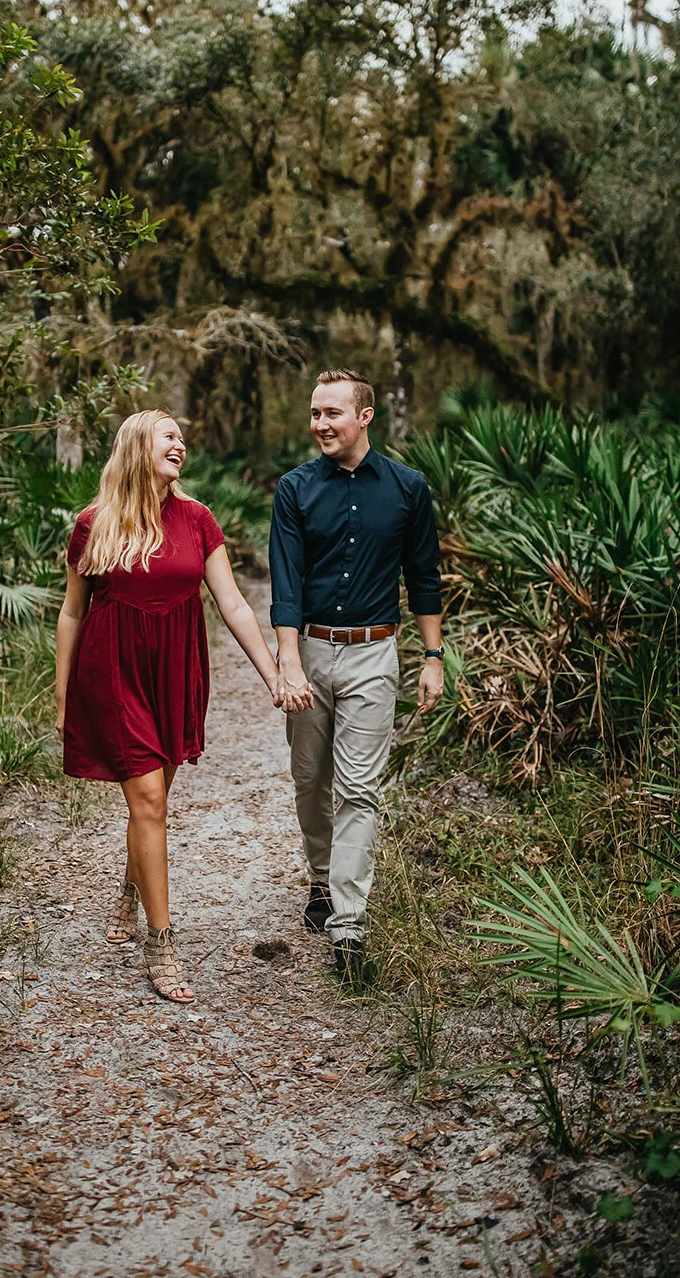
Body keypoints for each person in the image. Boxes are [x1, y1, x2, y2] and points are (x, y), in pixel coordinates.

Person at [55, 408, 301, 1004]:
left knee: (154, 800)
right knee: (150, 801)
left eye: (182, 438)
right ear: (139, 447)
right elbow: (72, 612)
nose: (181, 445)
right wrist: (62, 697)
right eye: (170, 436)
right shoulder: (95, 524)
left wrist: (273, 674)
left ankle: (131, 885)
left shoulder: (197, 519)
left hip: (177, 671)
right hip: (113, 674)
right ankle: (162, 948)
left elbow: (235, 605)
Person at [269, 369, 444, 985]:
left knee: (360, 788)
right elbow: (285, 582)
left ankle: (348, 921)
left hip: (375, 655)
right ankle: (321, 876)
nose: (320, 424)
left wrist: (433, 658)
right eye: (314, 413)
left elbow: (424, 576)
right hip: (311, 650)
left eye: (332, 413)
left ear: (364, 416)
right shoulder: (294, 490)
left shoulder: (406, 488)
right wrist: (288, 660)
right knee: (310, 777)